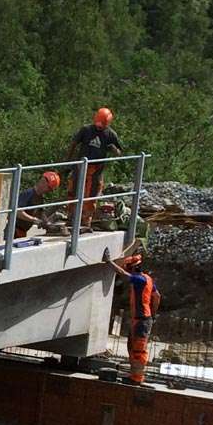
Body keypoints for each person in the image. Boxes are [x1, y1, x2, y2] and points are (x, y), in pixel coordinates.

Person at [104, 248, 160, 385]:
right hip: (141, 318)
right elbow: (157, 296)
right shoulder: (148, 279)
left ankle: (137, 378)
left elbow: (122, 273)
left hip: (141, 319)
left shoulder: (139, 280)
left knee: (138, 350)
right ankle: (134, 375)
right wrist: (153, 312)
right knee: (131, 346)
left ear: (133, 268)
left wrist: (108, 261)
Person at [68, 107, 123, 224]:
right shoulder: (86, 130)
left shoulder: (111, 134)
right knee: (74, 190)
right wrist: (68, 161)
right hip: (81, 166)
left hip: (96, 169)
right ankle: (71, 217)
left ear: (107, 123)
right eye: (98, 124)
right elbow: (73, 143)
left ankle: (85, 220)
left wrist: (114, 149)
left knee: (91, 195)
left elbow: (119, 153)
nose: (99, 127)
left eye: (102, 125)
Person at [14, 171, 64, 238]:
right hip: (14, 231)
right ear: (43, 182)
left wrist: (47, 224)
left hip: (22, 232)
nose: (48, 191)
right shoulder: (28, 194)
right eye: (49, 188)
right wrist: (34, 220)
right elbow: (18, 212)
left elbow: (40, 213)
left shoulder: (39, 198)